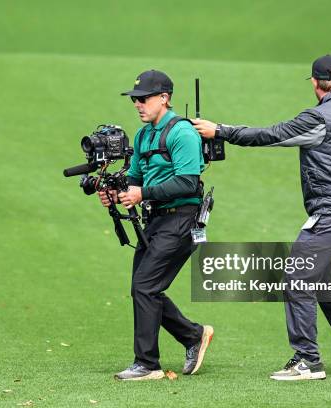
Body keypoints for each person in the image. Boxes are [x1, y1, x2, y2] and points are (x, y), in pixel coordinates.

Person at [192, 55, 331, 381]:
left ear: (315, 84)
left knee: (297, 277)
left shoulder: (318, 118)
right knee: (319, 277)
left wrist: (220, 131)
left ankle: (308, 360)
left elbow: (272, 134)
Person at [99, 69, 213, 381]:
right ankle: (193, 335)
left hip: (182, 218)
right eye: (135, 99)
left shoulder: (182, 133)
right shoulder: (143, 135)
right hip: (157, 220)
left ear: (164, 98)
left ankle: (147, 364)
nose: (138, 104)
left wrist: (142, 193)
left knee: (145, 287)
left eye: (144, 99)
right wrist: (116, 194)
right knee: (144, 288)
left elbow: (188, 183)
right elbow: (134, 179)